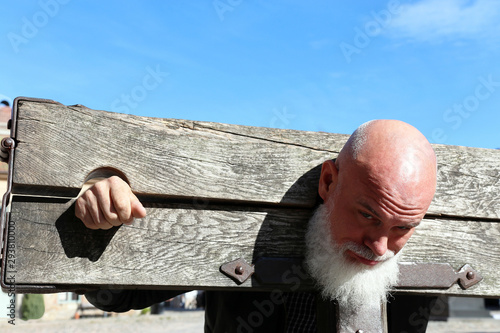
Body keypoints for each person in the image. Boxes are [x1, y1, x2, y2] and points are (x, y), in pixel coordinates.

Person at [78, 119, 438, 332]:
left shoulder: (431, 271)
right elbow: (118, 295)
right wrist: (105, 199)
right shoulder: (225, 236)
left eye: (402, 228)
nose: (379, 247)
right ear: (328, 182)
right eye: (368, 215)